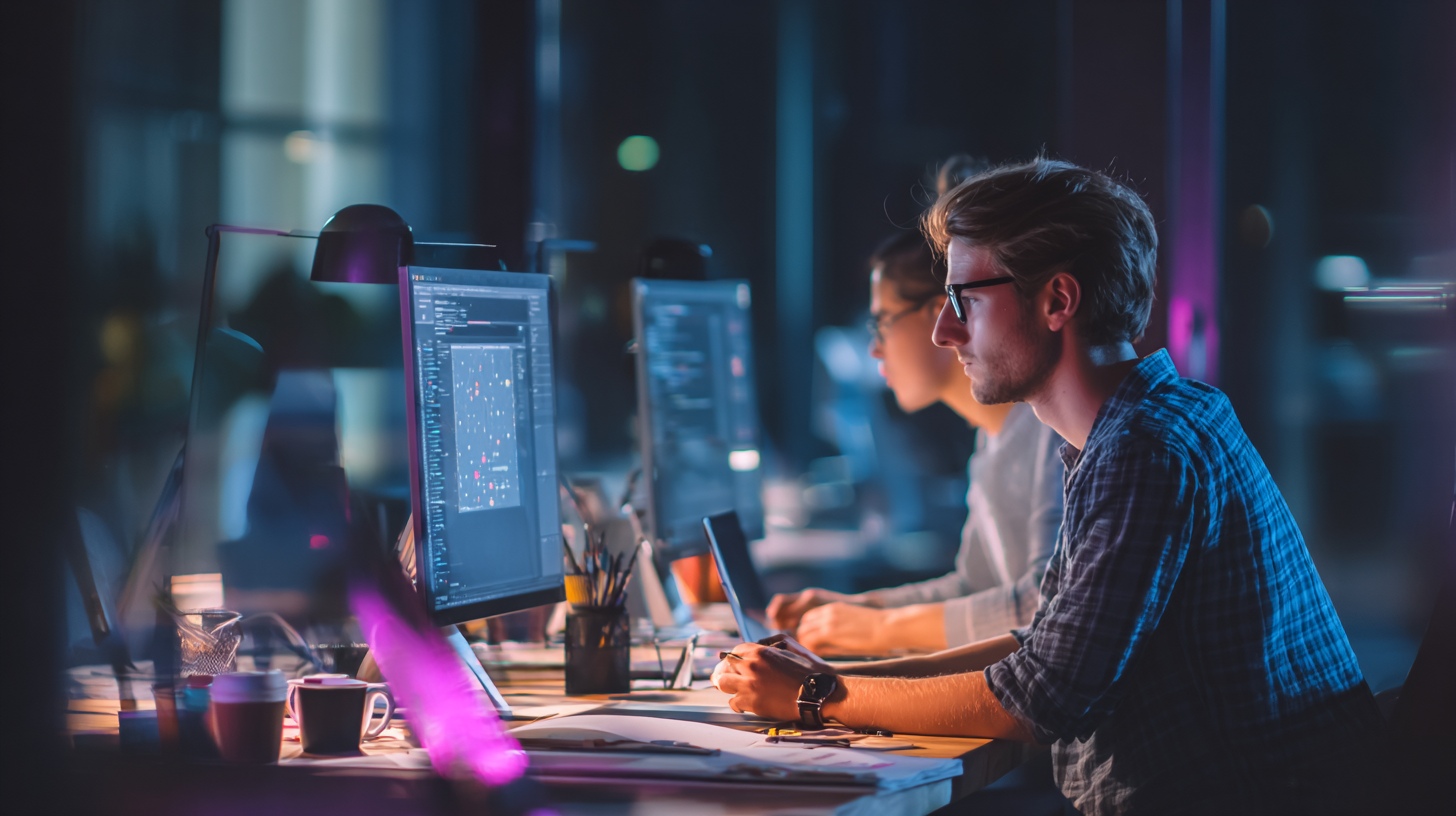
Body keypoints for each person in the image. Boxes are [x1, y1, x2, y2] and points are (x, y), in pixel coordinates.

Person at [712, 158, 1383, 815]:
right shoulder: (1140, 426)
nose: (944, 331)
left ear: (1058, 300)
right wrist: (832, 677)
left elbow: (1041, 697)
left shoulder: (1145, 450)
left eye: (965, 300)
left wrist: (816, 696)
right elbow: (1042, 643)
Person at [766, 229, 1063, 656]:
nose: (874, 349)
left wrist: (879, 628)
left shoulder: (1052, 434)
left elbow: (1042, 605)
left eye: (881, 323)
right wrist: (858, 609)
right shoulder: (992, 438)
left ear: (940, 315)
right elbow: (975, 588)